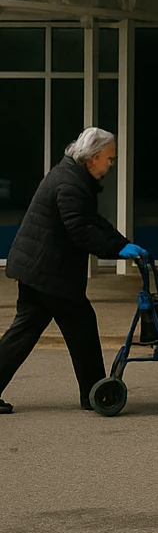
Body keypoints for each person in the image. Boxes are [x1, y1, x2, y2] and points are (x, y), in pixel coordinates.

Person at [0, 127, 147, 414]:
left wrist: (123, 244)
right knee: (82, 327)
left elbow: (91, 221)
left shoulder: (72, 177)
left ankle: (93, 392)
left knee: (23, 332)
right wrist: (116, 251)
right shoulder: (70, 183)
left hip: (38, 270)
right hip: (49, 273)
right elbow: (79, 230)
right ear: (93, 158)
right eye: (109, 158)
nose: (111, 164)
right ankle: (96, 394)